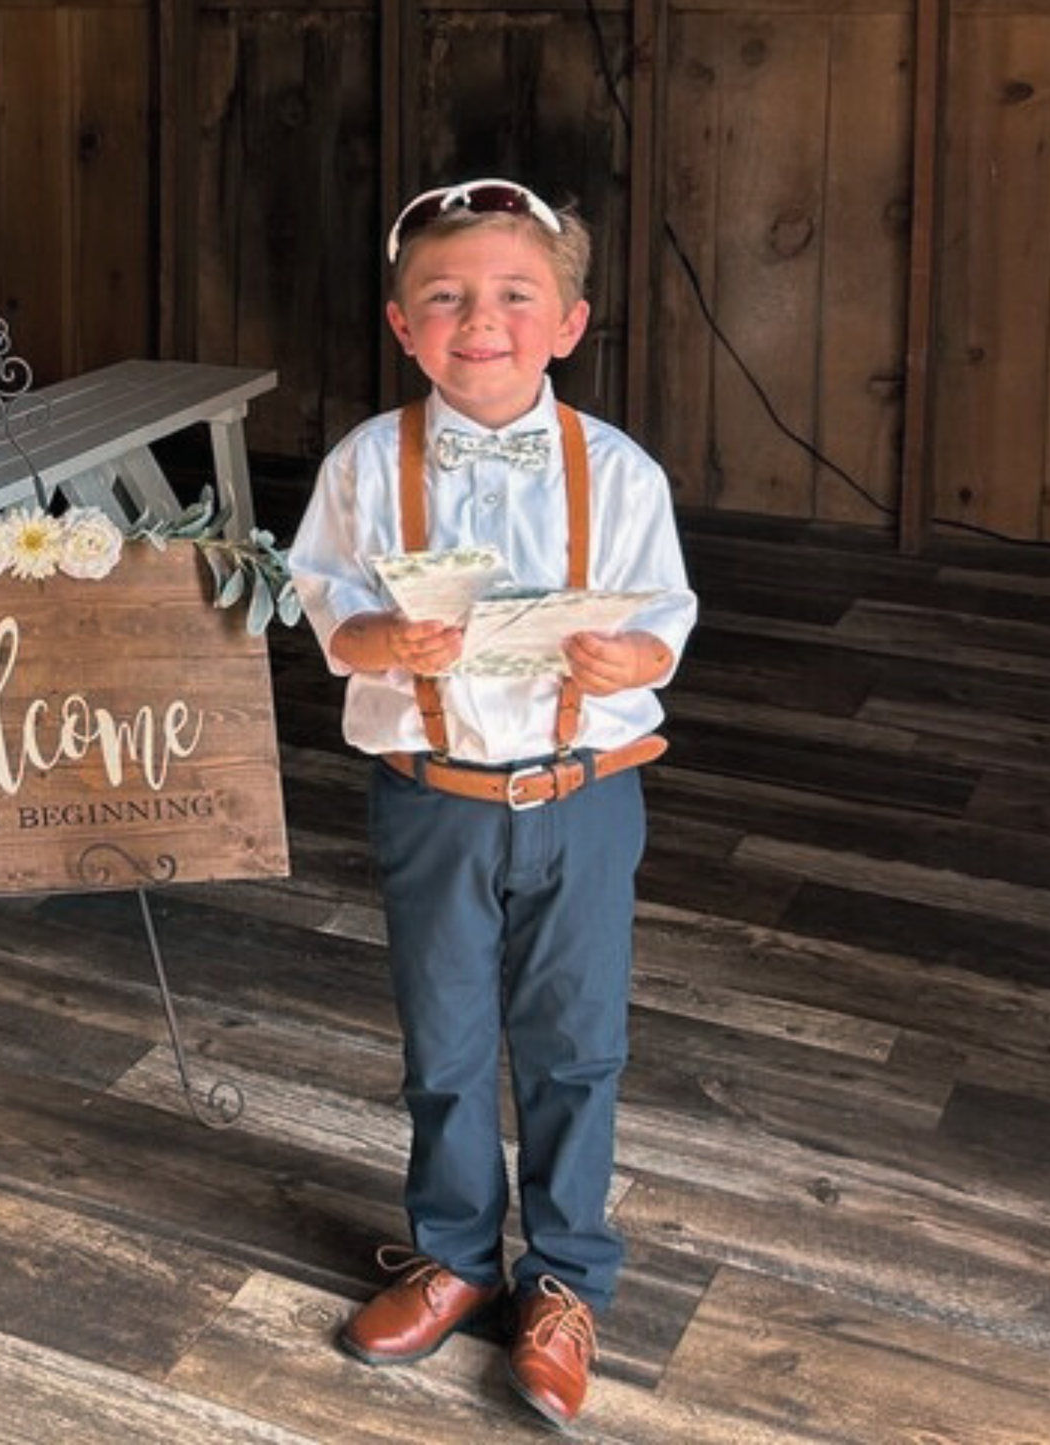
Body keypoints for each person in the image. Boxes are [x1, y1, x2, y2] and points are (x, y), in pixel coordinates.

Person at [287, 177, 697, 1431]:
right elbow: (321, 603)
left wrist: (633, 662)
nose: (481, 319)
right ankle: (455, 1251)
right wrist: (371, 636)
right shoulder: (366, 462)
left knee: (575, 1043)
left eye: (515, 295)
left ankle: (564, 1276)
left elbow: (663, 619)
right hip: (434, 798)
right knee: (446, 1038)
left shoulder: (617, 472)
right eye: (445, 298)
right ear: (402, 326)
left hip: (583, 794)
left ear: (567, 322)